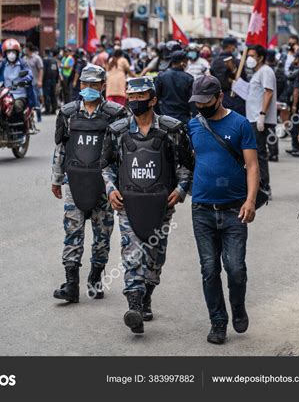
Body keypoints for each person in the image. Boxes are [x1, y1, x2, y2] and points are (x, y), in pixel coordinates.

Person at [101, 76, 194, 333]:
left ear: (153, 100)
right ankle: (134, 306)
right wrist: (110, 190)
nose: (134, 102)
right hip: (128, 202)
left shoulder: (171, 130)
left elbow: (185, 164)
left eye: (140, 97)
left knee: (155, 256)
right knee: (131, 254)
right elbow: (107, 165)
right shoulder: (117, 130)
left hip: (161, 204)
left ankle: (146, 295)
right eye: (131, 97)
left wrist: (180, 189)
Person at [187, 74, 259, 345]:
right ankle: (218, 321)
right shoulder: (193, 126)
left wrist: (250, 201)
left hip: (234, 210)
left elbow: (252, 165)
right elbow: (189, 161)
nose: (201, 106)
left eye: (207, 101)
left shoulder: (240, 124)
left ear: (220, 97)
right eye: (198, 102)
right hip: (202, 209)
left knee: (235, 267)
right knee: (209, 269)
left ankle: (238, 306)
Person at [51, 64, 126, 304]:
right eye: (85, 84)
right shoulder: (69, 113)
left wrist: (120, 185)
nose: (89, 88)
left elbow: (124, 153)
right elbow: (61, 149)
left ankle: (95, 279)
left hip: (104, 184)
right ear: (80, 84)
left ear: (103, 86)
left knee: (102, 235)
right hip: (74, 181)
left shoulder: (116, 115)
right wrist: (56, 178)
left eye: (94, 84)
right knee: (72, 231)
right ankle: (71, 285)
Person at [245, 44, 276, 198]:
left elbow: (268, 93)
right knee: (255, 153)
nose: (249, 58)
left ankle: (264, 187)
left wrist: (262, 114)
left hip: (259, 119)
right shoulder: (257, 73)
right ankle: (258, 186)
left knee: (260, 153)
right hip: (252, 118)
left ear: (261, 57)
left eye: (252, 55)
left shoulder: (266, 71)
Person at [0, 39, 35, 114]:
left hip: (19, 95)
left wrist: (25, 79)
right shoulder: (3, 63)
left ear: (17, 53)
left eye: (13, 52)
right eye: (9, 52)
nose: (11, 54)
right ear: (5, 54)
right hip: (5, 95)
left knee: (17, 107)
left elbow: (29, 73)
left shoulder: (23, 63)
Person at [155, 49, 195, 123]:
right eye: (186, 61)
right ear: (182, 62)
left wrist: (158, 114)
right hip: (183, 119)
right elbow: (193, 102)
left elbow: (155, 99)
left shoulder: (161, 76)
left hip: (165, 119)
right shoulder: (189, 78)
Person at [210, 36, 246, 116]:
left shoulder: (214, 62)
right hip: (236, 100)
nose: (236, 48)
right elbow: (244, 83)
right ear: (230, 46)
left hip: (218, 100)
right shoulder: (237, 62)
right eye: (235, 46)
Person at [24, 42, 44, 121]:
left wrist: (40, 80)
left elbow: (41, 70)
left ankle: (39, 116)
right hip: (26, 83)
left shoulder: (37, 58)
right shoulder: (24, 59)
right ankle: (28, 117)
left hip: (34, 82)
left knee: (35, 100)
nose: (24, 50)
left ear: (28, 49)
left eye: (25, 48)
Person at [42, 48, 60, 115]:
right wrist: (57, 80)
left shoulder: (45, 60)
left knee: (47, 95)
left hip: (46, 80)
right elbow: (56, 71)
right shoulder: (54, 60)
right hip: (53, 80)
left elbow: (44, 71)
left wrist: (42, 80)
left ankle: (47, 110)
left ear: (45, 52)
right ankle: (54, 110)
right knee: (53, 95)